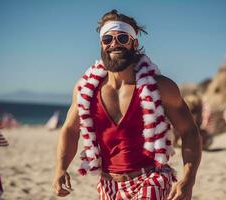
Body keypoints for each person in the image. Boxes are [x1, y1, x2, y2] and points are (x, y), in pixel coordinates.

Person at [53, 9, 202, 200]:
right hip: (108, 186)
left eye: (122, 38)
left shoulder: (160, 86)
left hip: (151, 179)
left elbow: (189, 131)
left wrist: (188, 180)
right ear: (101, 43)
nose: (114, 43)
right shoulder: (85, 89)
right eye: (108, 39)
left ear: (134, 43)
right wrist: (60, 169)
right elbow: (70, 130)